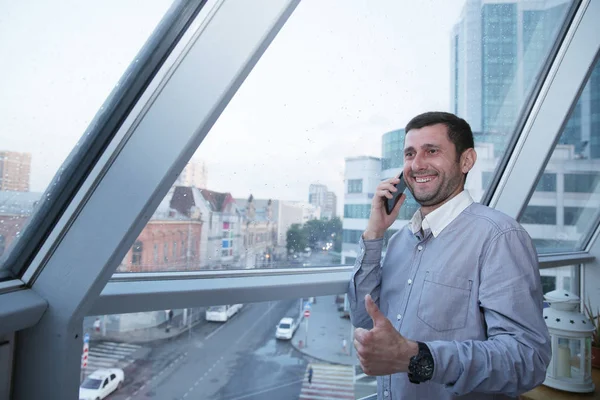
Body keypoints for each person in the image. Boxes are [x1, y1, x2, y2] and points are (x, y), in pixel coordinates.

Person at [348, 112, 551, 400]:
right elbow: (364, 320)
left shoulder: (499, 237)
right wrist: (374, 233)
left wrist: (417, 358)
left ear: (466, 161)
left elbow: (527, 359)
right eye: (409, 154)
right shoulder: (398, 242)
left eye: (432, 151)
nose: (417, 164)